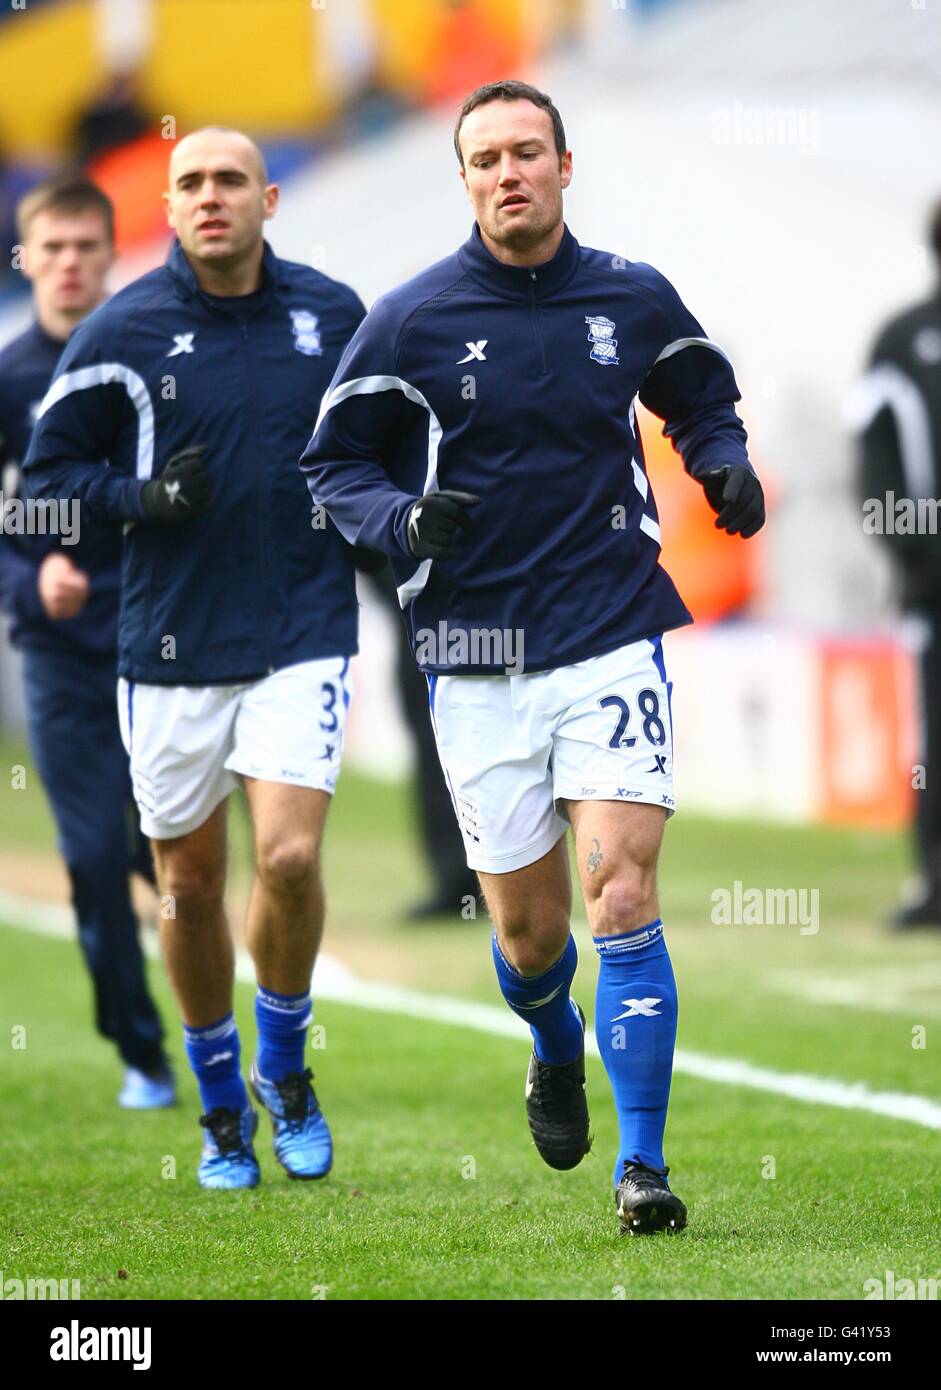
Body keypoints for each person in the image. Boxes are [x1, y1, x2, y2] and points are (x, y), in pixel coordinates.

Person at [300, 80, 764, 1236]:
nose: (507, 172)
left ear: (565, 164)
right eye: (483, 159)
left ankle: (642, 1168)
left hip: (607, 632)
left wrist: (723, 462)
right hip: (472, 653)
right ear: (461, 180)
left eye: (525, 152)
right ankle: (554, 1042)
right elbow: (333, 465)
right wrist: (402, 522)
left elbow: (696, 396)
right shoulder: (407, 320)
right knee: (528, 936)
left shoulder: (629, 295)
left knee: (619, 885)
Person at [24, 128, 365, 1190]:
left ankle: (285, 1067)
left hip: (299, 629)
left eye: (228, 181)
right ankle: (219, 1104)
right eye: (189, 183)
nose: (209, 197)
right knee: (186, 884)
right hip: (165, 648)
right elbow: (43, 484)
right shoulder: (119, 331)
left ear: (268, 197)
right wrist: (139, 501)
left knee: (292, 859)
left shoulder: (336, 316)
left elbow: (387, 447)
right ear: (165, 208)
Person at [0, 175, 174, 1109]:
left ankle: (222, 1039)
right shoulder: (9, 380)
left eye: (85, 247)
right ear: (26, 259)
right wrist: (31, 580)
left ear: (112, 253)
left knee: (174, 856)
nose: (69, 264)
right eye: (51, 248)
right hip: (64, 659)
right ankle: (141, 1052)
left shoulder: (152, 357)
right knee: (93, 860)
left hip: (166, 649)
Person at [851, 199, 941, 931]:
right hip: (933, 589)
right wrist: (915, 557)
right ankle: (936, 883)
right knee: (933, 735)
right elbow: (875, 467)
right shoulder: (902, 340)